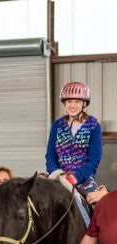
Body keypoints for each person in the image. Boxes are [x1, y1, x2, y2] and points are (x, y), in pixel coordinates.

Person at [45, 82, 102, 224]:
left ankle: (97, 242)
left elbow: (94, 159)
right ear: (64, 103)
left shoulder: (93, 125)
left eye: (77, 101)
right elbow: (50, 154)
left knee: (98, 208)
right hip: (59, 176)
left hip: (84, 179)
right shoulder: (57, 125)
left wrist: (77, 177)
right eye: (69, 101)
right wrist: (55, 173)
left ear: (84, 103)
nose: (72, 105)